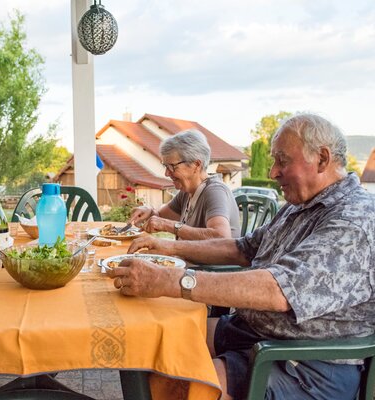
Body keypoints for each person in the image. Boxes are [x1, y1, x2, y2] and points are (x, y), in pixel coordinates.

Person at [108, 114, 374, 400]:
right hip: (253, 331)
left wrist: (174, 281)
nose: (272, 172)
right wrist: (169, 248)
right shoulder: (299, 206)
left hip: (305, 362)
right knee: (157, 342)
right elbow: (242, 248)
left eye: (282, 161)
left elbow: (278, 290)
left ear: (322, 159)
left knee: (182, 386)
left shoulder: (354, 219)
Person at [128, 129, 240, 240]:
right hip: (185, 258)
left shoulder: (215, 191)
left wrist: (169, 225)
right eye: (165, 166)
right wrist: (148, 211)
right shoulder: (186, 192)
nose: (166, 173)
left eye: (172, 166)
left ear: (196, 164)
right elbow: (159, 217)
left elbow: (221, 237)